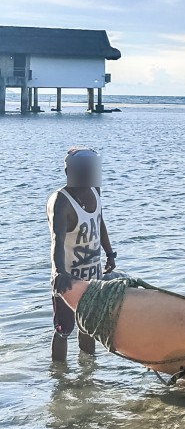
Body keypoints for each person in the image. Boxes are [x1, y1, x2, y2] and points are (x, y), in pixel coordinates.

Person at [47, 147, 117, 362]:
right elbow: (57, 240)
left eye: (91, 170)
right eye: (82, 170)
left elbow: (99, 221)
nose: (87, 175)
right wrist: (59, 272)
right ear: (68, 171)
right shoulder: (61, 201)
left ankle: (87, 377)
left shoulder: (95, 189)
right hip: (67, 278)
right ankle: (59, 379)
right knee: (63, 329)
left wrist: (109, 253)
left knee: (89, 326)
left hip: (93, 275)